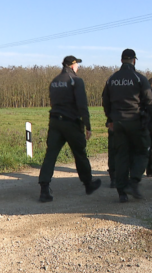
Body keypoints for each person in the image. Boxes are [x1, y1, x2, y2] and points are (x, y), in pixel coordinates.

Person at [38, 55, 101, 202]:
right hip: (71, 123)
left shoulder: (54, 81)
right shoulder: (76, 81)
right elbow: (82, 104)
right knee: (79, 154)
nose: (78, 67)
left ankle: (44, 188)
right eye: (77, 64)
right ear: (72, 66)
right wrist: (88, 125)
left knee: (50, 155)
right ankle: (88, 184)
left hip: (54, 122)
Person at [102, 49, 152, 203]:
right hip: (136, 121)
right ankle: (133, 182)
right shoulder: (140, 78)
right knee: (142, 151)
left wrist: (110, 119)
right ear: (134, 60)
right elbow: (150, 101)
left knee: (121, 155)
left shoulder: (112, 79)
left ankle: (122, 192)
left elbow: (105, 101)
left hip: (118, 122)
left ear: (121, 60)